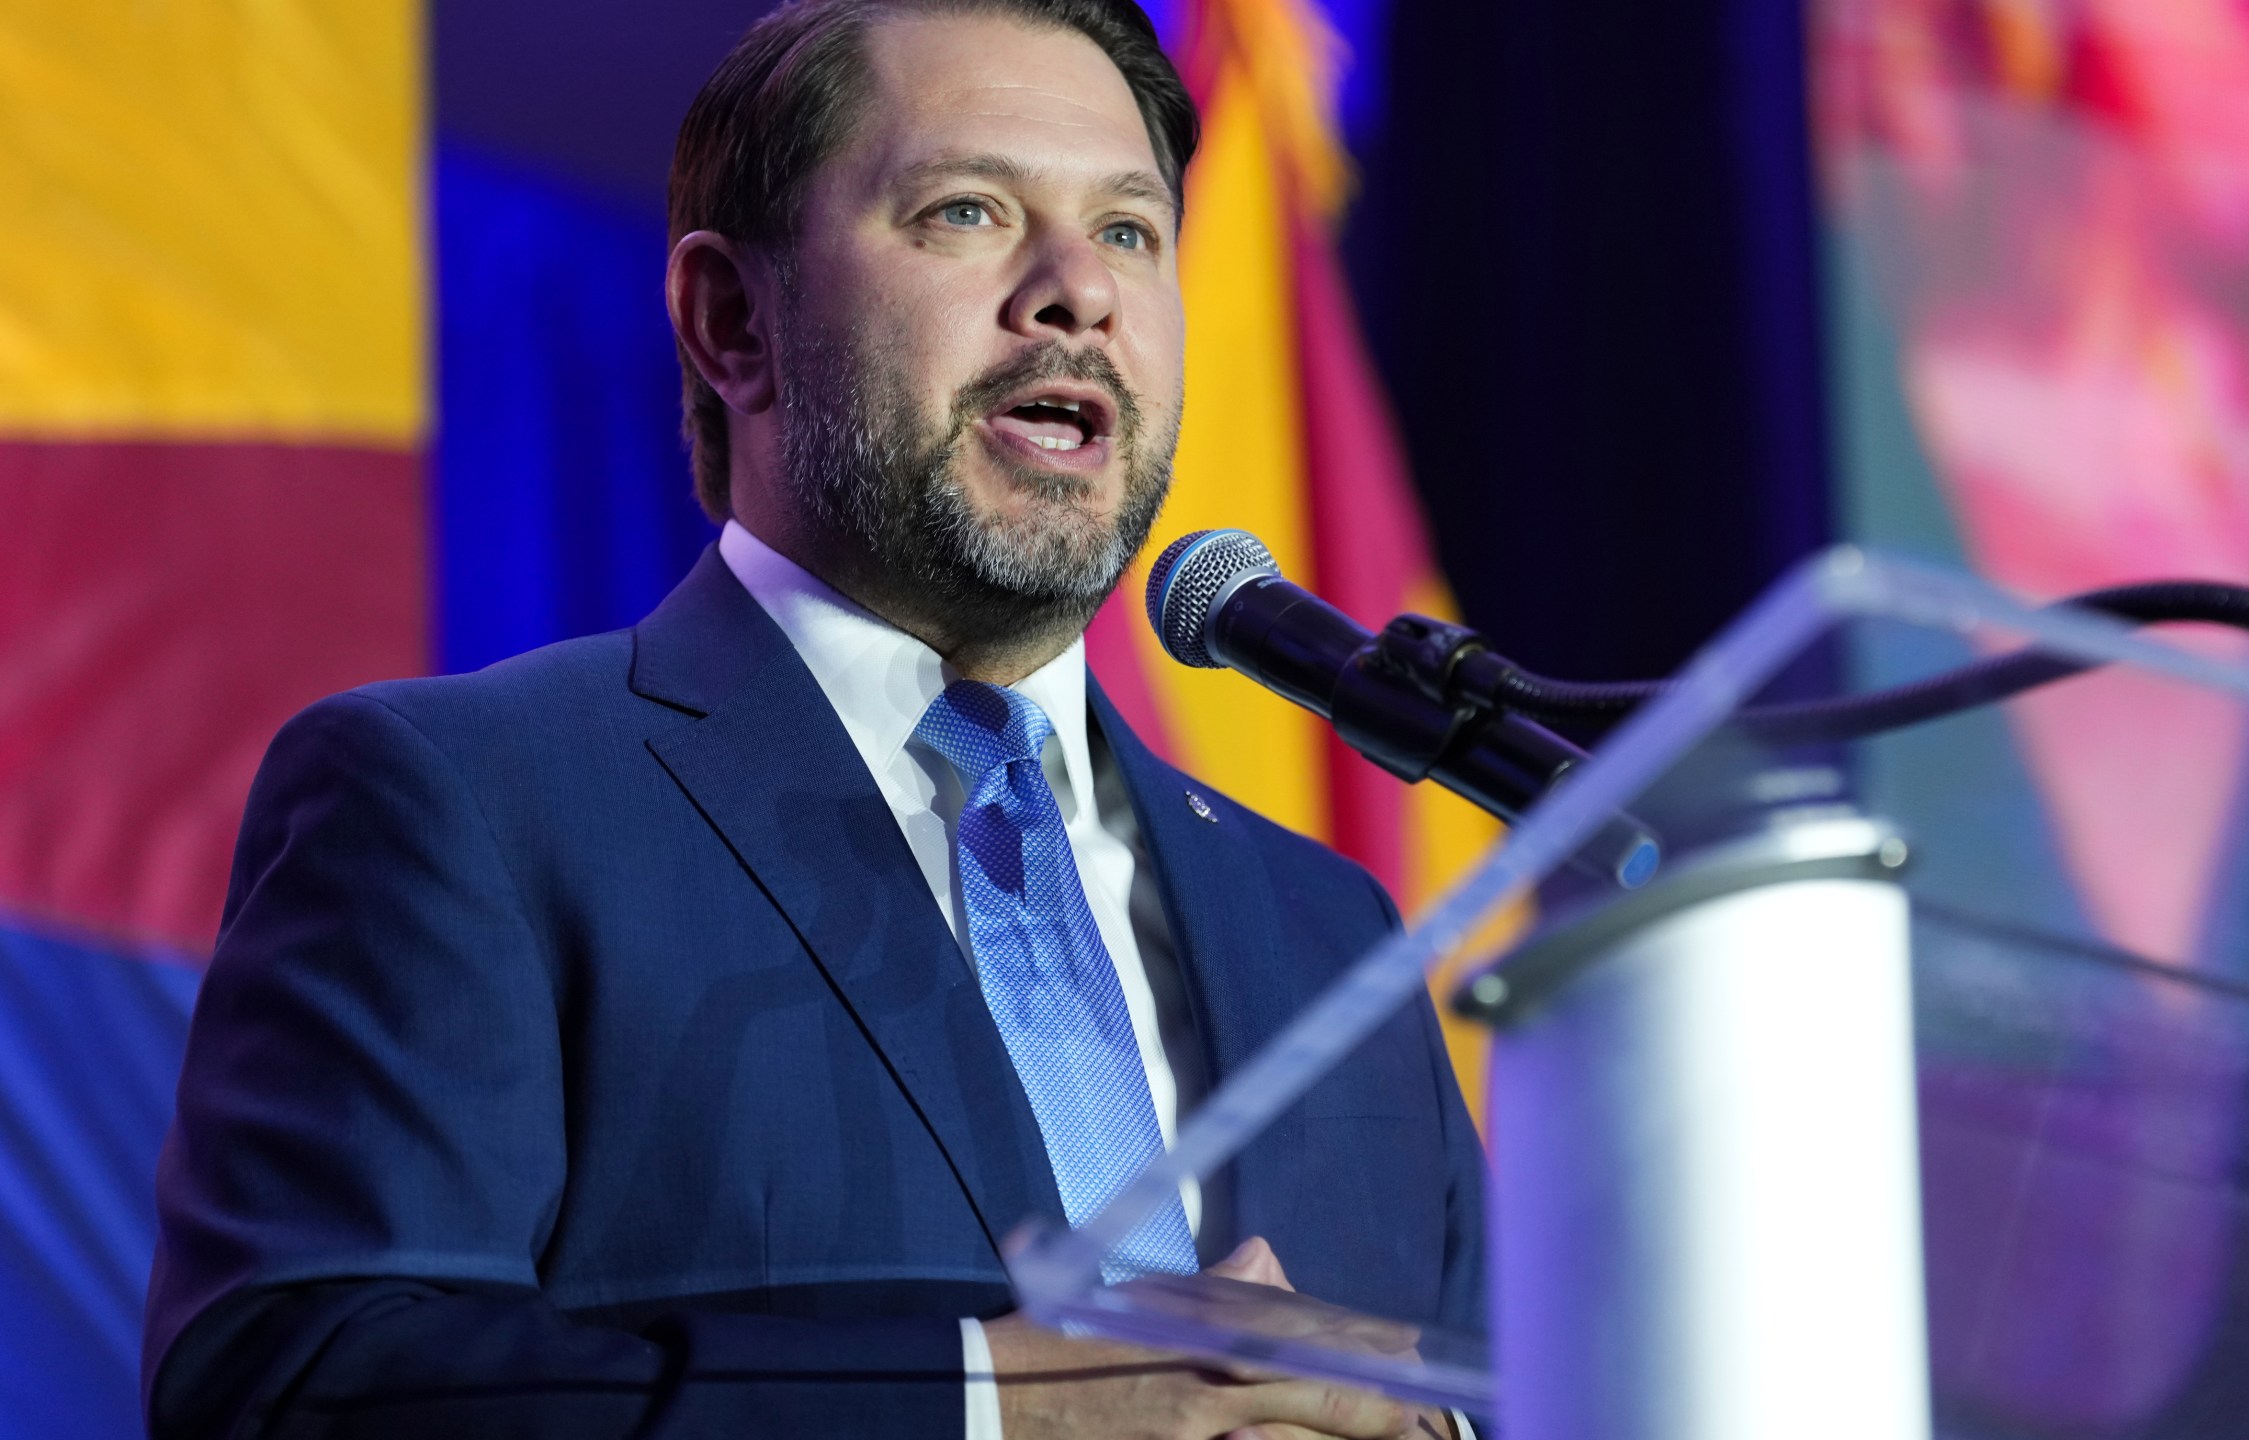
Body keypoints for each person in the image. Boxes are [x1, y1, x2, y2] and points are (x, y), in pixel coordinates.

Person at [139, 2, 1486, 1436]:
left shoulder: (1332, 929)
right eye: (968, 211)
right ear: (732, 321)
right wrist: (981, 1405)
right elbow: (305, 1392)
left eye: (1131, 232)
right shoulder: (465, 805)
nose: (1077, 293)